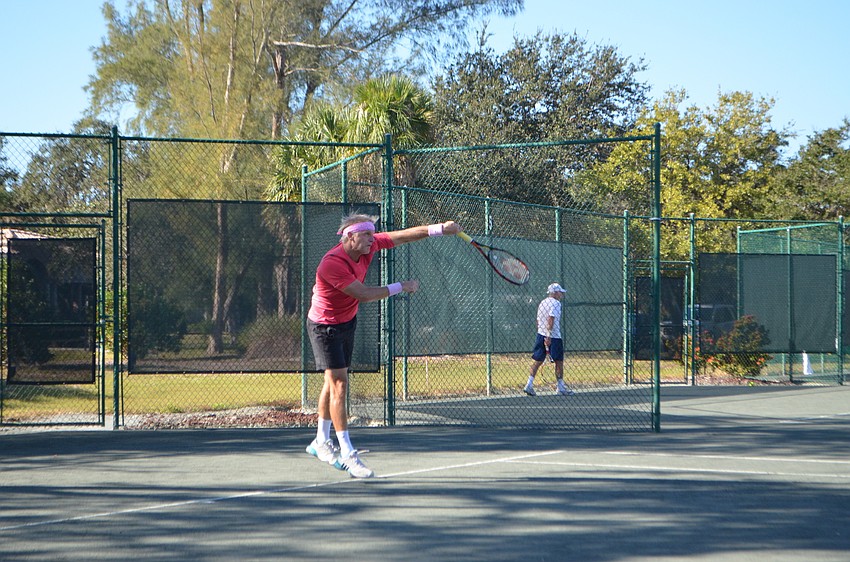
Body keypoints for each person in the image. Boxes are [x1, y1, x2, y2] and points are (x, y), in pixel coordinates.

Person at [305, 212, 462, 478]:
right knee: (339, 384)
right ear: (350, 237)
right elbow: (363, 294)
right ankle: (348, 454)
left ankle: (320, 440)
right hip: (324, 326)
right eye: (366, 234)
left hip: (346, 322)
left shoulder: (369, 246)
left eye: (372, 234)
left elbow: (404, 236)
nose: (372, 238)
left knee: (331, 381)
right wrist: (402, 286)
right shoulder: (332, 264)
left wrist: (441, 229)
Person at [524, 282, 574, 397]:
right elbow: (551, 319)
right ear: (555, 293)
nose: (561, 294)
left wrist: (543, 334)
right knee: (559, 361)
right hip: (553, 336)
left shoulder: (542, 302)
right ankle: (560, 388)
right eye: (560, 292)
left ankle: (529, 385)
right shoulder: (556, 303)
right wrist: (548, 336)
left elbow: (538, 320)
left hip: (541, 334)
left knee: (537, 361)